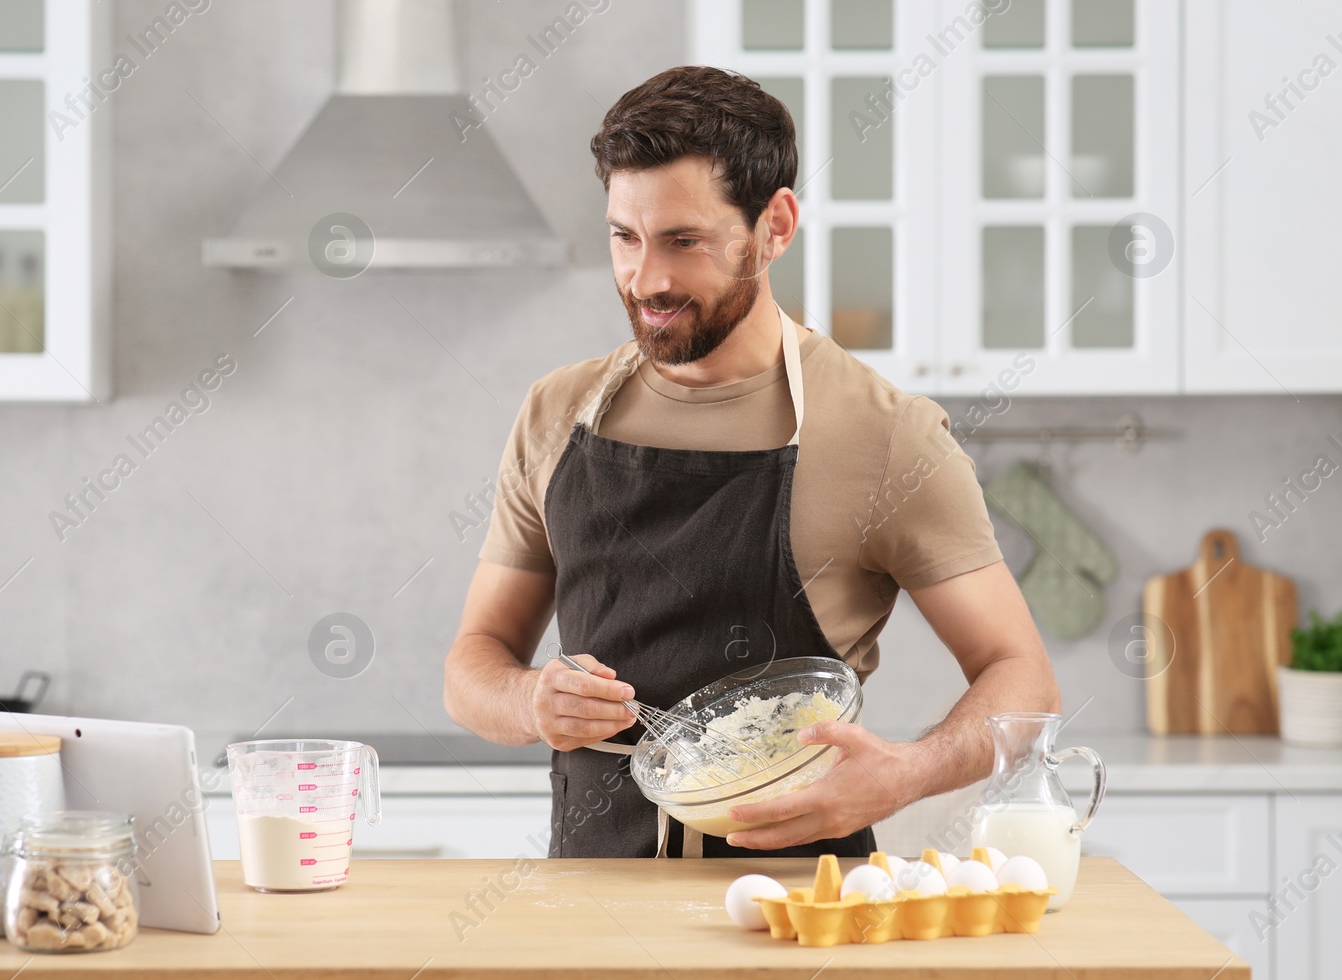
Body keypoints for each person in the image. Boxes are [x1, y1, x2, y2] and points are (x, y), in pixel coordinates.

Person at [442, 65, 1058, 859]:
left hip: (799, 914)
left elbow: (1024, 676)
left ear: (775, 226)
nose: (646, 280)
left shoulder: (888, 435)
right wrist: (530, 700)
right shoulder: (556, 414)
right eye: (624, 238)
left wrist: (906, 772)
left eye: (683, 241)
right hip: (590, 908)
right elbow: (471, 665)